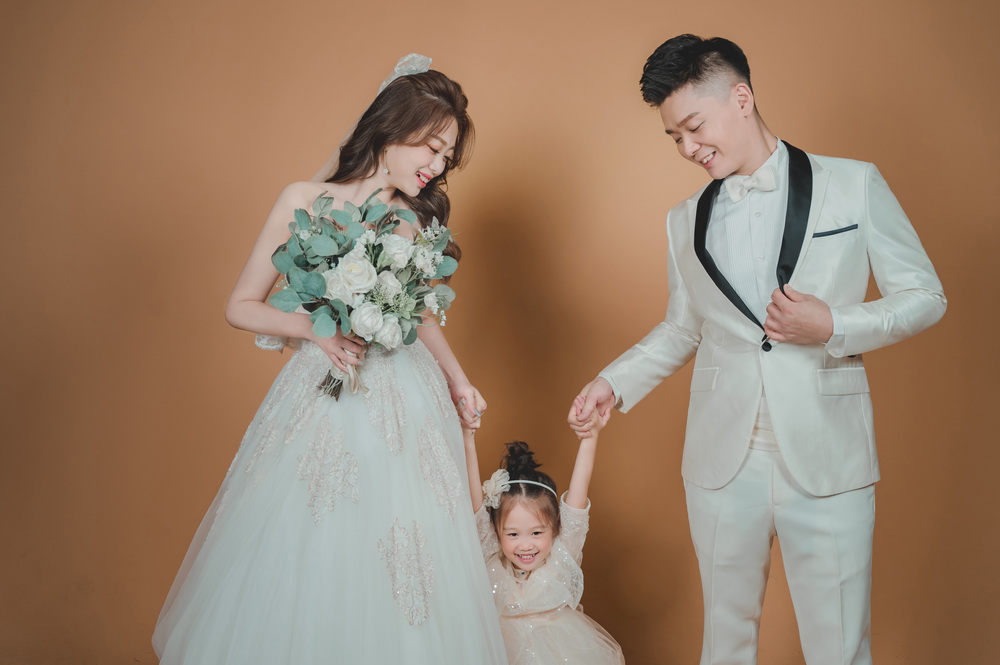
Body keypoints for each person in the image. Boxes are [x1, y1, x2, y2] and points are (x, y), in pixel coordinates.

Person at [570, 35, 946, 665]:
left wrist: (834, 324)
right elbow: (683, 328)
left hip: (828, 454)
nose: (687, 148)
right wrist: (614, 381)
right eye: (674, 137)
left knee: (840, 648)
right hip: (721, 460)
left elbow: (926, 295)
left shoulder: (853, 184)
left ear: (741, 98)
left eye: (694, 127)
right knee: (725, 643)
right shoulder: (683, 219)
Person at [152, 56, 508, 665]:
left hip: (404, 398)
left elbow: (418, 315)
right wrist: (315, 333)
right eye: (432, 147)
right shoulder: (306, 201)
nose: (437, 166)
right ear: (392, 129)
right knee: (316, 537)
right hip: (326, 388)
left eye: (447, 157)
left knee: (407, 551)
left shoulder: (413, 217)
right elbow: (241, 305)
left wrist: (459, 380)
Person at [463, 398, 625, 664]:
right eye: (513, 534)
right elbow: (475, 507)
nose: (525, 545)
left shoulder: (562, 554)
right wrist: (467, 438)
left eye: (536, 533)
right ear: (496, 531)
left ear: (556, 527)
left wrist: (590, 436)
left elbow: (577, 501)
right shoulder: (491, 555)